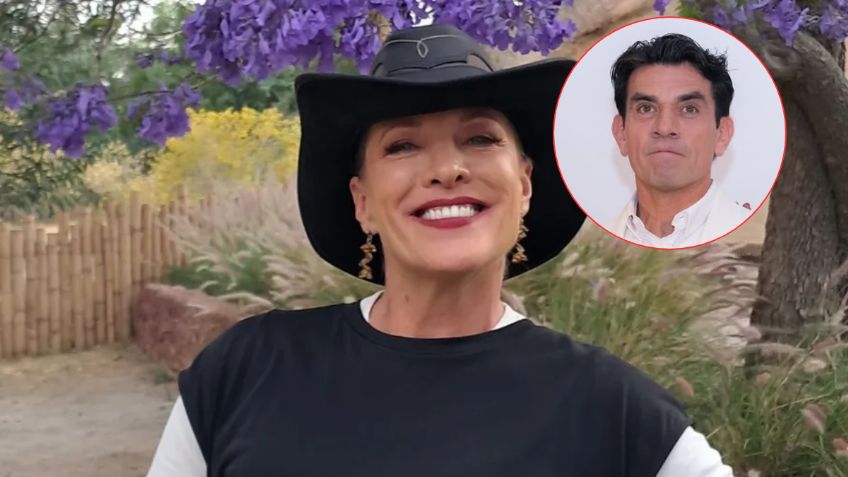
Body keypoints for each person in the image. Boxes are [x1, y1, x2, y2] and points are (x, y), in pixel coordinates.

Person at [146, 24, 733, 476]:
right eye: (402, 146)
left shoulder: (613, 407)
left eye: (479, 138)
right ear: (362, 201)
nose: (447, 169)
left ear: (525, 184)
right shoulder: (246, 368)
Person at [608, 33, 751, 249]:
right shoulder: (585, 248)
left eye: (689, 109)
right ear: (621, 133)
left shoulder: (761, 238)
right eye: (646, 108)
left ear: (721, 134)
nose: (665, 128)